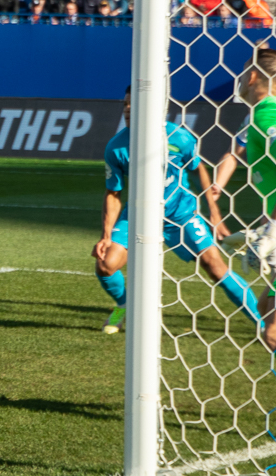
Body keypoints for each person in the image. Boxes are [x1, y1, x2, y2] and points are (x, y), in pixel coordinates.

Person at [93, 86, 261, 336]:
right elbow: (113, 193)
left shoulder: (179, 138)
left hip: (181, 214)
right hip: (139, 215)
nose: (128, 109)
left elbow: (197, 168)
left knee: (214, 266)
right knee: (105, 264)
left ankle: (263, 323)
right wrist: (106, 235)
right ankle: (124, 305)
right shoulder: (116, 147)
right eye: (125, 104)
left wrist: (214, 214)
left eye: (133, 103)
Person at [225, 49, 276, 350]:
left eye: (244, 74)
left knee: (272, 331)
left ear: (254, 76)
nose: (241, 81)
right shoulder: (257, 115)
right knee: (264, 308)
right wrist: (264, 224)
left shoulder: (267, 113)